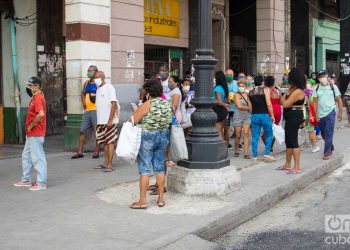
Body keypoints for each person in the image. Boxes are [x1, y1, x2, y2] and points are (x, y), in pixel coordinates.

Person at [130, 78, 172, 209]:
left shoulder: (148, 104)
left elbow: (133, 120)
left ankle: (142, 202)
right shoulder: (166, 103)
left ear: (148, 91)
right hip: (163, 136)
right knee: (160, 168)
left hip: (148, 136)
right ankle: (160, 199)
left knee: (145, 169)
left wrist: (135, 110)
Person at [13, 77, 47, 191]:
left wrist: (31, 125)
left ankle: (41, 182)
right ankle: (26, 179)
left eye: (30, 85)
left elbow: (41, 114)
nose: (28, 87)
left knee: (38, 158)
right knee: (26, 156)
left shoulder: (38, 97)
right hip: (31, 133)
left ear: (36, 86)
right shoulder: (35, 97)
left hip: (36, 132)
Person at [278, 68, 306, 174]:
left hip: (295, 114)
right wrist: (286, 97)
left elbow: (285, 104)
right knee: (288, 139)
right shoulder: (292, 89)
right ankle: (287, 164)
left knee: (293, 140)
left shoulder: (298, 90)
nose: (287, 78)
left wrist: (285, 99)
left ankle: (297, 166)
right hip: (290, 115)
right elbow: (282, 100)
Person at [312, 70, 343, 160]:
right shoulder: (316, 88)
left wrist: (340, 113)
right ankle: (331, 147)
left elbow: (339, 100)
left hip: (331, 112)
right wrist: (316, 115)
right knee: (323, 134)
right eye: (320, 76)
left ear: (327, 76)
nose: (322, 78)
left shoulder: (333, 87)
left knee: (329, 132)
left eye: (323, 76)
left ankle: (326, 152)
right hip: (321, 114)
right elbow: (315, 101)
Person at [71, 65, 100, 159]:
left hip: (96, 110)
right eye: (88, 71)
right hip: (87, 111)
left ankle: (97, 151)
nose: (88, 72)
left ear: (95, 72)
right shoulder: (86, 83)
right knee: (82, 130)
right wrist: (84, 103)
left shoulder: (98, 83)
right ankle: (80, 151)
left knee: (97, 131)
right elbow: (83, 93)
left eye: (90, 71)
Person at [94, 71, 119, 172]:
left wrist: (110, 120)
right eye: (95, 77)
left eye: (97, 77)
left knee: (110, 141)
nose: (95, 79)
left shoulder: (109, 87)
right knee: (104, 142)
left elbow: (114, 104)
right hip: (100, 121)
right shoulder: (98, 89)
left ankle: (109, 164)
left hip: (109, 121)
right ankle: (105, 162)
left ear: (102, 77)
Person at [248, 77, 275, 161]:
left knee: (255, 136)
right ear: (262, 82)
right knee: (269, 134)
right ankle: (267, 153)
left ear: (254, 82)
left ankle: (255, 156)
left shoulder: (250, 92)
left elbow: (250, 107)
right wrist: (272, 115)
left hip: (254, 115)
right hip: (264, 115)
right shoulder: (265, 90)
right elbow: (269, 104)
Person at [233, 79, 251, 159]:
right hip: (238, 116)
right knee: (237, 135)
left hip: (247, 116)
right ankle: (236, 150)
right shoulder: (236, 94)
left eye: (242, 86)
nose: (241, 87)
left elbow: (251, 107)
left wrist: (248, 109)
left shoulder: (248, 95)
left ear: (245, 86)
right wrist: (248, 108)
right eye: (239, 86)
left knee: (246, 134)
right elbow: (239, 106)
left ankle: (246, 153)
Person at [263, 76, 282, 152]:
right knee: (275, 129)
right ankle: (271, 146)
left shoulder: (266, 91)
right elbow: (280, 102)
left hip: (269, 110)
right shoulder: (278, 91)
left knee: (265, 132)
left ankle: (269, 146)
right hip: (278, 110)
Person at [213, 71, 230, 140]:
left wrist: (224, 105)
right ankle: (224, 147)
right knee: (223, 130)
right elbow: (226, 100)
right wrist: (226, 105)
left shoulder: (217, 88)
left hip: (218, 110)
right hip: (223, 110)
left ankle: (221, 149)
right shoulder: (224, 88)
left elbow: (219, 102)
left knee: (219, 130)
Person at [304, 77, 320, 153]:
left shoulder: (303, 91)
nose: (307, 84)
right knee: (311, 130)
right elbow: (314, 104)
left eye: (309, 83)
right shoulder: (311, 92)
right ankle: (314, 146)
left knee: (309, 130)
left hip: (303, 113)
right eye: (307, 83)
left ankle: (295, 146)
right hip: (308, 114)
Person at [225, 69, 238, 148]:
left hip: (236, 108)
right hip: (227, 108)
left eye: (230, 75)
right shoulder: (224, 84)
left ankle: (237, 143)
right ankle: (227, 143)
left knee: (237, 126)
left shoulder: (236, 83)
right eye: (227, 75)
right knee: (227, 127)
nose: (229, 76)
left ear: (233, 75)